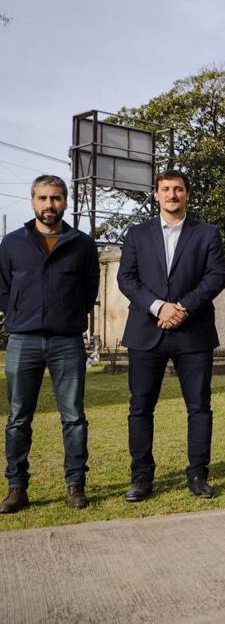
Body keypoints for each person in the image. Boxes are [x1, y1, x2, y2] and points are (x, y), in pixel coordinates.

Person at [117, 168, 225, 502]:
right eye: (165, 189)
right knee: (140, 408)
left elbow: (215, 277)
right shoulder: (137, 233)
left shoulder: (207, 233)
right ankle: (141, 477)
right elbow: (126, 279)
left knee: (199, 407)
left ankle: (197, 475)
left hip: (192, 332)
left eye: (178, 189)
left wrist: (181, 307)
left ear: (187, 195)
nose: (172, 195)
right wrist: (157, 307)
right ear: (156, 194)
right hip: (145, 331)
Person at [0, 175, 99, 514]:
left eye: (55, 198)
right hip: (22, 340)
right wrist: (18, 313)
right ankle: (16, 487)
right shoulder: (12, 243)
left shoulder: (82, 244)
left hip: (66, 342)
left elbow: (89, 291)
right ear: (32, 202)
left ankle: (75, 484)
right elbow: (2, 288)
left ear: (65, 202)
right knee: (17, 418)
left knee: (73, 417)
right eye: (42, 198)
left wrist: (69, 316)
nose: (48, 205)